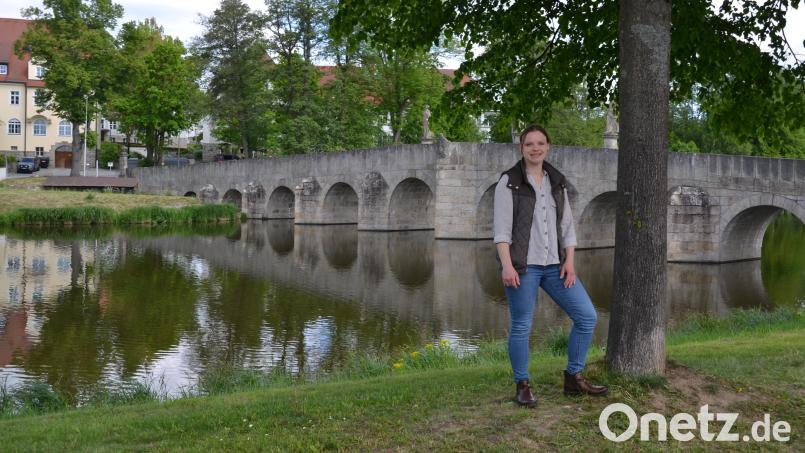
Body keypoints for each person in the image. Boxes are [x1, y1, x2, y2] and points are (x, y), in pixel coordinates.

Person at [493, 125, 608, 408]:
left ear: (548, 147)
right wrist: (507, 266)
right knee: (522, 325)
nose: (535, 148)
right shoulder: (509, 182)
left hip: (555, 265)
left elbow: (567, 226)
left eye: (540, 143)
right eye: (529, 144)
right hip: (523, 266)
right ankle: (522, 385)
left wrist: (570, 261)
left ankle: (573, 377)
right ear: (521, 148)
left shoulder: (556, 181)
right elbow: (501, 231)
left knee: (587, 316)